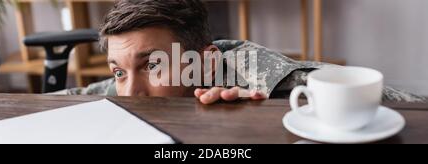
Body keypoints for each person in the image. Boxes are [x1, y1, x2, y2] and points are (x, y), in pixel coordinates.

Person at [59, 0, 425, 104]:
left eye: (153, 65)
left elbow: (404, 106)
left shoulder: (259, 78)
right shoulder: (130, 89)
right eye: (119, 71)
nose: (131, 95)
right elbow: (68, 100)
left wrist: (258, 120)